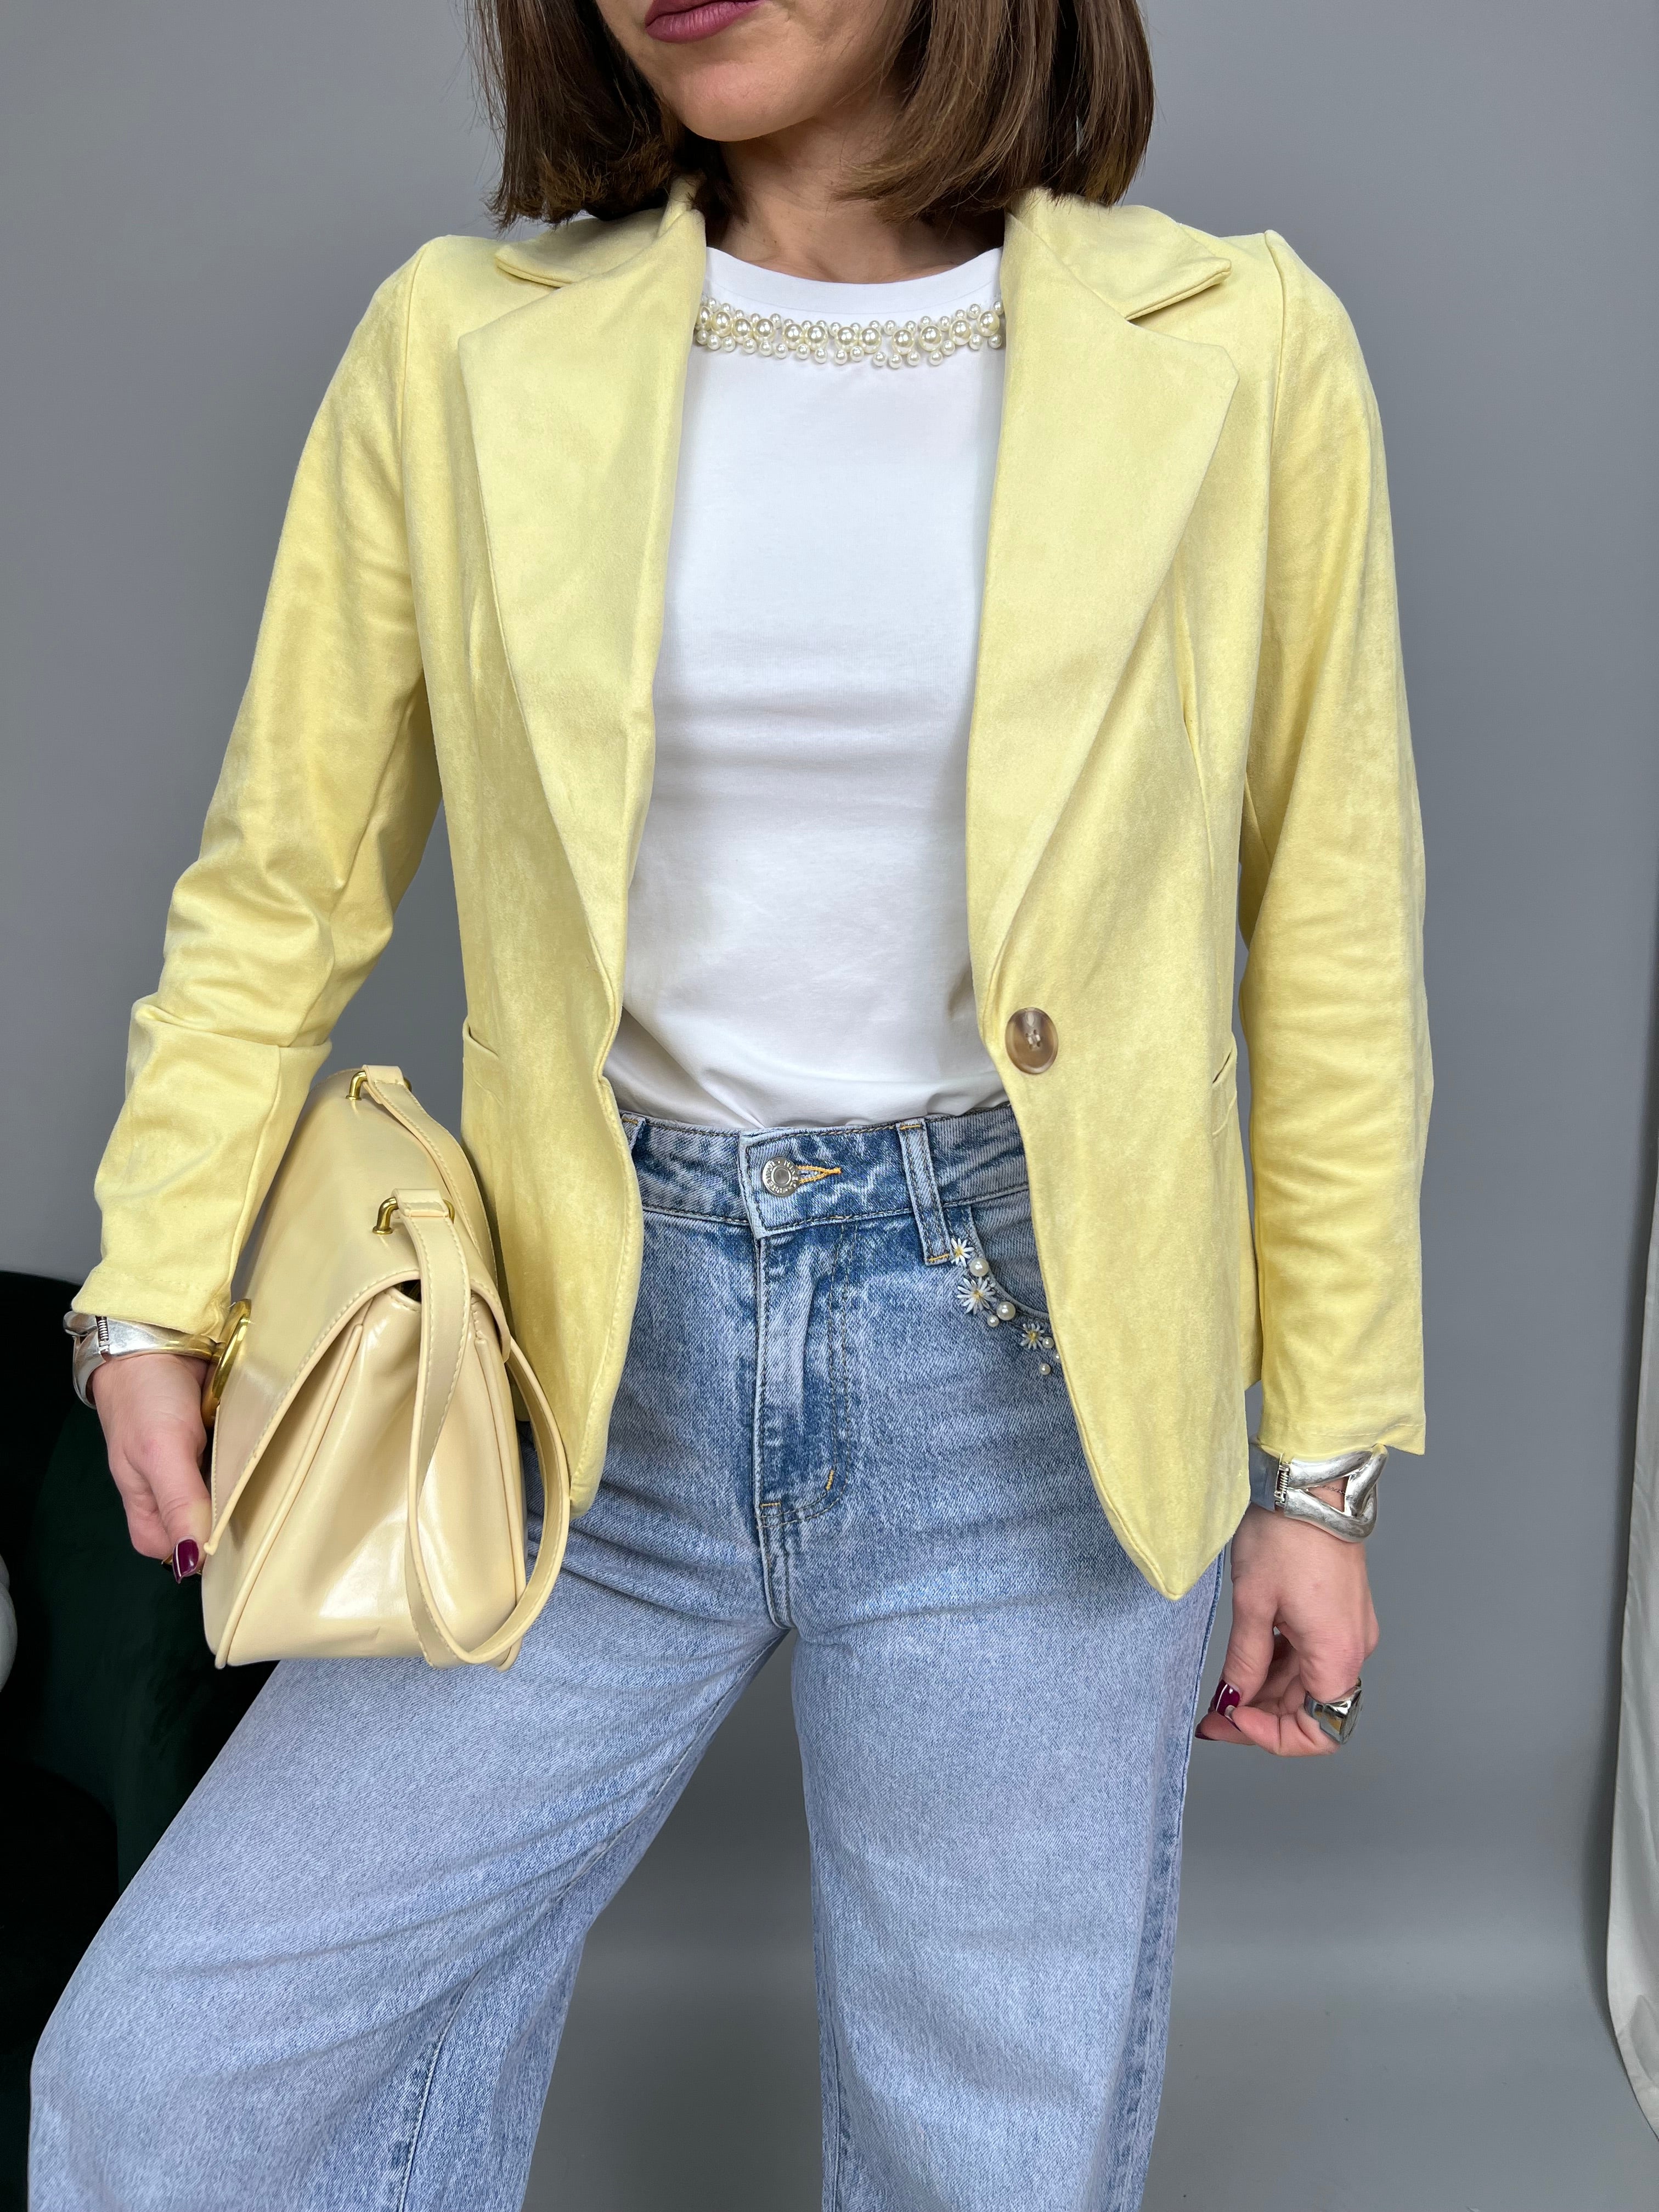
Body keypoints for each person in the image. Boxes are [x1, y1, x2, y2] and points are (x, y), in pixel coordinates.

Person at [29, 0, 1427, 2202]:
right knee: (167, 2079)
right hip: (581, 1378)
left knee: (985, 2162)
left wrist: (1319, 1474)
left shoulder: (1234, 345)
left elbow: (1333, 931)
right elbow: (283, 876)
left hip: (1036, 1389)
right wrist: (152, 1289)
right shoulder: (462, 344)